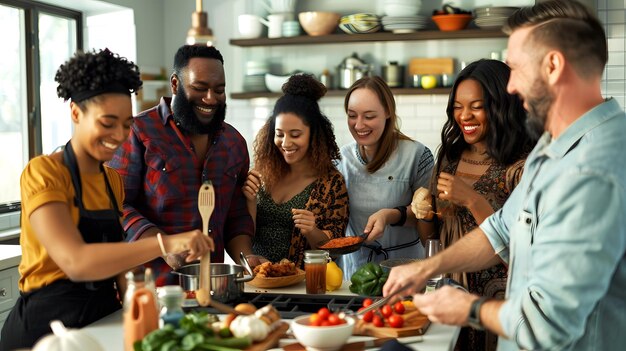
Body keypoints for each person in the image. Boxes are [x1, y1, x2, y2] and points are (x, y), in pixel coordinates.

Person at [384, 1, 626, 350]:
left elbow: (549, 324)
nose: (510, 87)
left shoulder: (592, 169)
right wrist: (425, 269)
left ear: (553, 66)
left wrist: (470, 308)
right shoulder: (552, 148)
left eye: (516, 68)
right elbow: (500, 230)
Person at [0, 49, 213, 350]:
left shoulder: (111, 180)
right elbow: (75, 262)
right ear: (75, 112)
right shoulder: (44, 173)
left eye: (127, 124)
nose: (119, 135)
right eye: (107, 122)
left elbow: (116, 262)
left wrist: (139, 309)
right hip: (45, 331)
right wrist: (166, 243)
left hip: (100, 321)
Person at [411, 59, 536, 350]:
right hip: (449, 298)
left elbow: (523, 251)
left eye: (476, 106)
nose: (464, 115)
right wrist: (424, 211)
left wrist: (472, 199)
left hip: (496, 304)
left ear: (502, 105)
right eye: (457, 106)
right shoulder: (449, 156)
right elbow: (431, 240)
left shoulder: (523, 166)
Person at [108, 45, 254, 286]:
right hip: (151, 289)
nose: (210, 98)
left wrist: (246, 257)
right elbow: (117, 205)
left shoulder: (234, 142)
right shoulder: (139, 131)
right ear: (175, 84)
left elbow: (236, 215)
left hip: (213, 288)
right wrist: (164, 246)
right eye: (200, 88)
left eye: (219, 90)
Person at [243, 74, 349, 268]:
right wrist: (249, 201)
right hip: (258, 280)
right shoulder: (261, 173)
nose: (285, 143)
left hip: (304, 287)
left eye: (295, 135)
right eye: (279, 134)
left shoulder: (331, 183)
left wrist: (312, 230)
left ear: (314, 134)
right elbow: (243, 234)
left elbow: (333, 252)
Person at [336, 76, 434, 280]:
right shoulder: (340, 160)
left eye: (369, 116)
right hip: (357, 274)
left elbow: (427, 217)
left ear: (388, 112)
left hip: (406, 270)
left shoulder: (417, 155)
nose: (359, 124)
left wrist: (390, 215)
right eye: (352, 115)